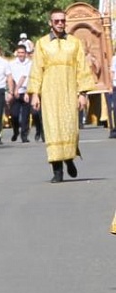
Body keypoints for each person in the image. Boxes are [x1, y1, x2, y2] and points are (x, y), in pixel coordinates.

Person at [27, 9, 95, 183]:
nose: (59, 23)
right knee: (52, 129)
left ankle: (69, 159)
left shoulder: (74, 43)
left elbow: (82, 69)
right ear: (50, 23)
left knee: (69, 127)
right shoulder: (42, 44)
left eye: (62, 21)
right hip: (49, 93)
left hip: (69, 90)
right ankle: (57, 170)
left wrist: (83, 94)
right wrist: (35, 94)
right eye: (56, 21)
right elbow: (37, 69)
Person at [8, 44, 33, 143]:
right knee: (14, 114)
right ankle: (15, 131)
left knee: (26, 116)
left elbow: (27, 77)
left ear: (26, 53)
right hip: (15, 91)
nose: (21, 54)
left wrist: (27, 92)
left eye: (22, 53)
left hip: (26, 91)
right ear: (16, 53)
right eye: (19, 53)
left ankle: (24, 135)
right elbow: (10, 78)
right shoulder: (12, 64)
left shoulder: (30, 64)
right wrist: (12, 91)